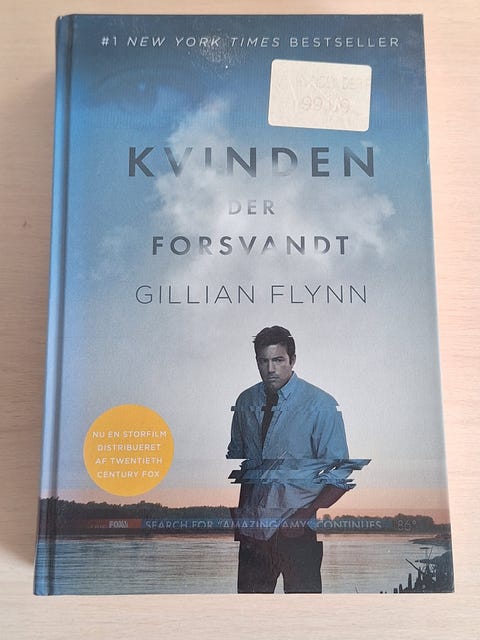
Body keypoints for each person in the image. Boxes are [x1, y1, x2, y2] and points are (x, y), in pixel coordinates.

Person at [227, 325, 354, 593]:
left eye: (278, 360)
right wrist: (241, 521)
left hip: (298, 533)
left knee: (304, 612)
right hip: (253, 536)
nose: (270, 369)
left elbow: (340, 472)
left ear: (292, 360)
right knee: (249, 613)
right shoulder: (245, 402)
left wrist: (304, 514)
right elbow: (247, 467)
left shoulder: (320, 405)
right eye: (263, 361)